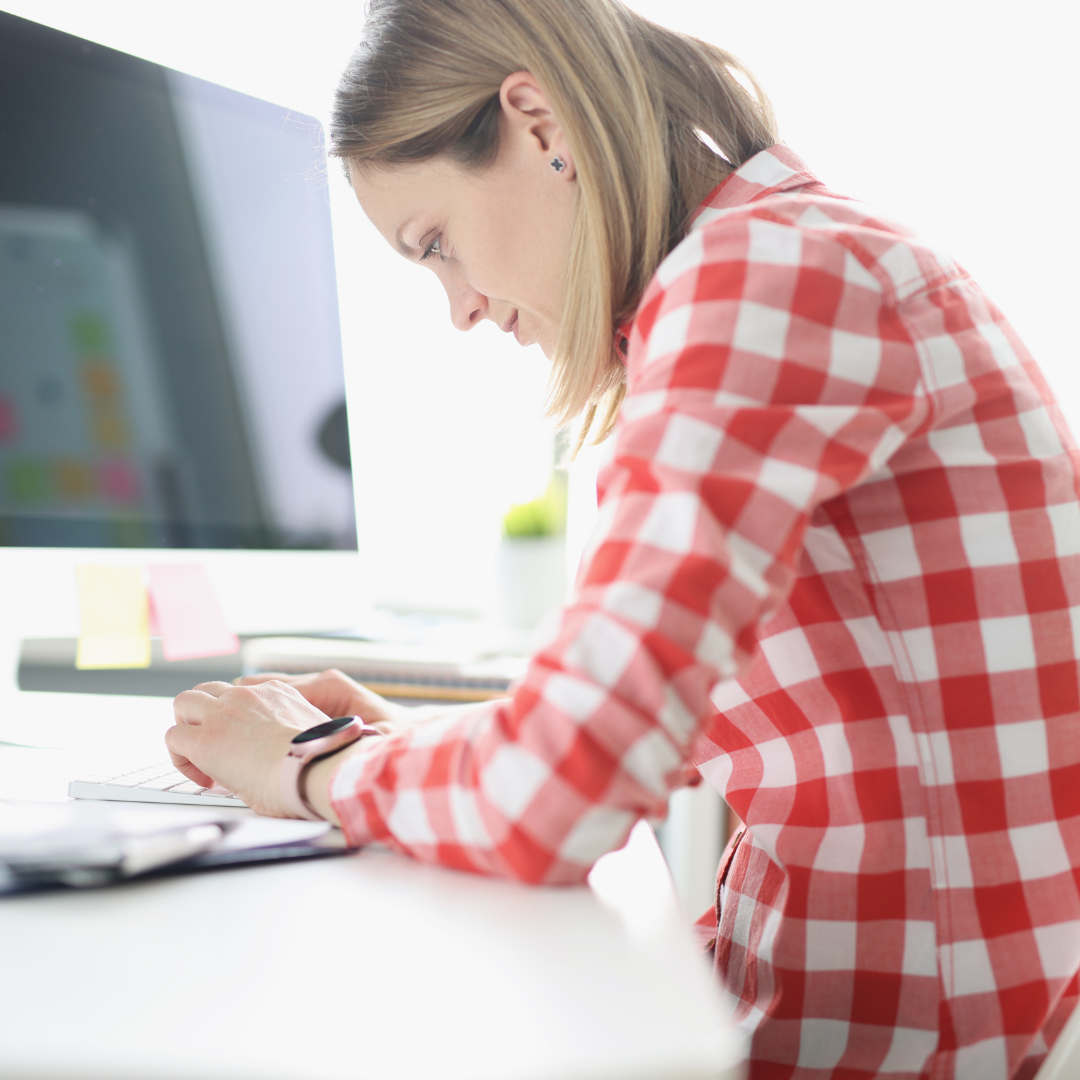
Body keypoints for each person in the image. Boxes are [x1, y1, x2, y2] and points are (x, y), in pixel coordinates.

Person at [165, 1, 1080, 1076]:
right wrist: (402, 747)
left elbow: (562, 793)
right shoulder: (784, 258)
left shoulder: (761, 276)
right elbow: (624, 726)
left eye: (437, 244)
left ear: (540, 123)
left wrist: (306, 766)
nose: (458, 308)